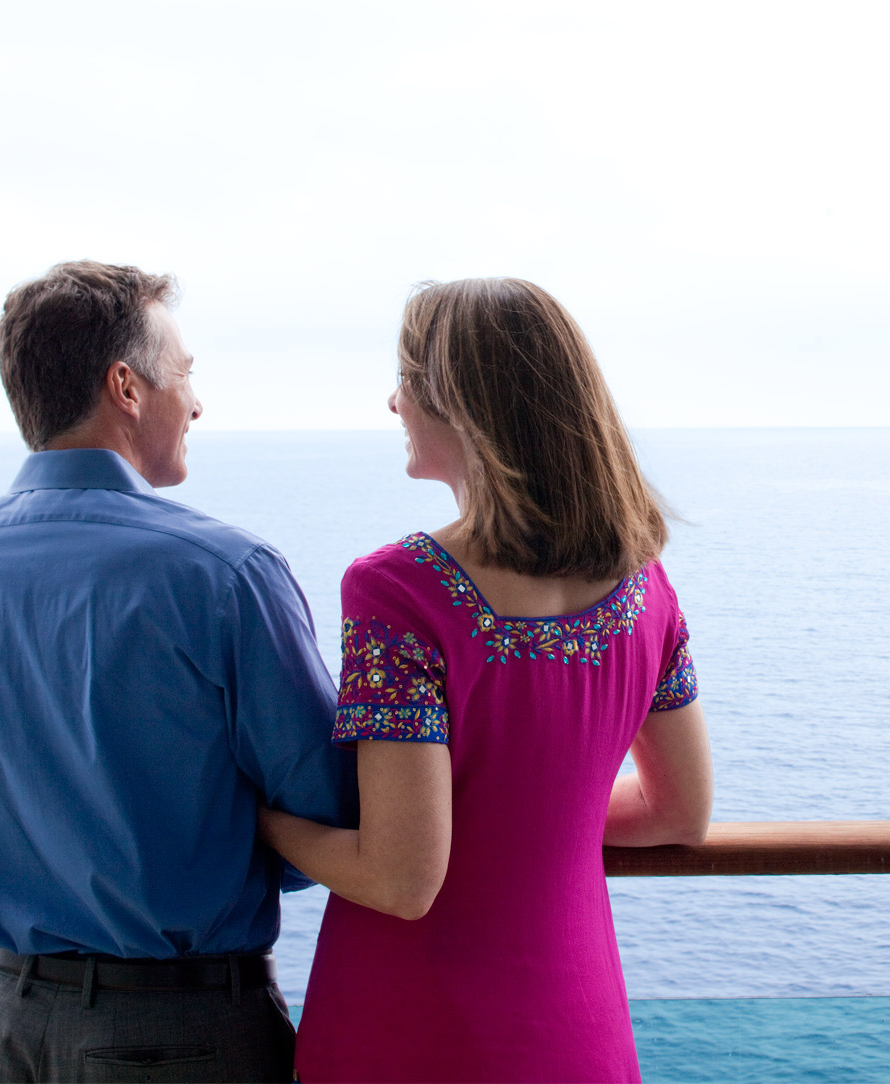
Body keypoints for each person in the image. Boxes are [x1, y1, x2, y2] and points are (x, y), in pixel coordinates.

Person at [0, 261, 351, 1083]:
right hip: (173, 1031)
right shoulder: (223, 574)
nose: (196, 404)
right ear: (125, 387)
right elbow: (333, 814)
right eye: (186, 375)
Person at [259, 277, 714, 1083]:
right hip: (580, 1034)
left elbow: (401, 880)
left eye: (406, 379)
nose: (394, 402)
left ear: (461, 403)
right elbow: (681, 812)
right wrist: (543, 818)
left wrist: (260, 821)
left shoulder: (399, 590)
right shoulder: (649, 588)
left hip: (407, 1036)